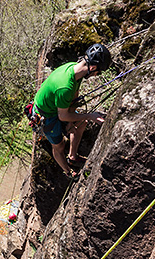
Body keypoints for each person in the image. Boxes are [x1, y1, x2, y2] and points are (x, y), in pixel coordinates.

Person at [33, 43, 112, 178]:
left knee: (82, 123)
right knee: (59, 146)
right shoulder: (65, 87)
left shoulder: (74, 68)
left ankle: (73, 157)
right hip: (46, 114)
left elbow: (74, 95)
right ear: (92, 67)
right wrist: (91, 116)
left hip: (56, 106)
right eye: (98, 72)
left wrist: (73, 119)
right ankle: (68, 171)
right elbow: (63, 116)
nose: (96, 75)